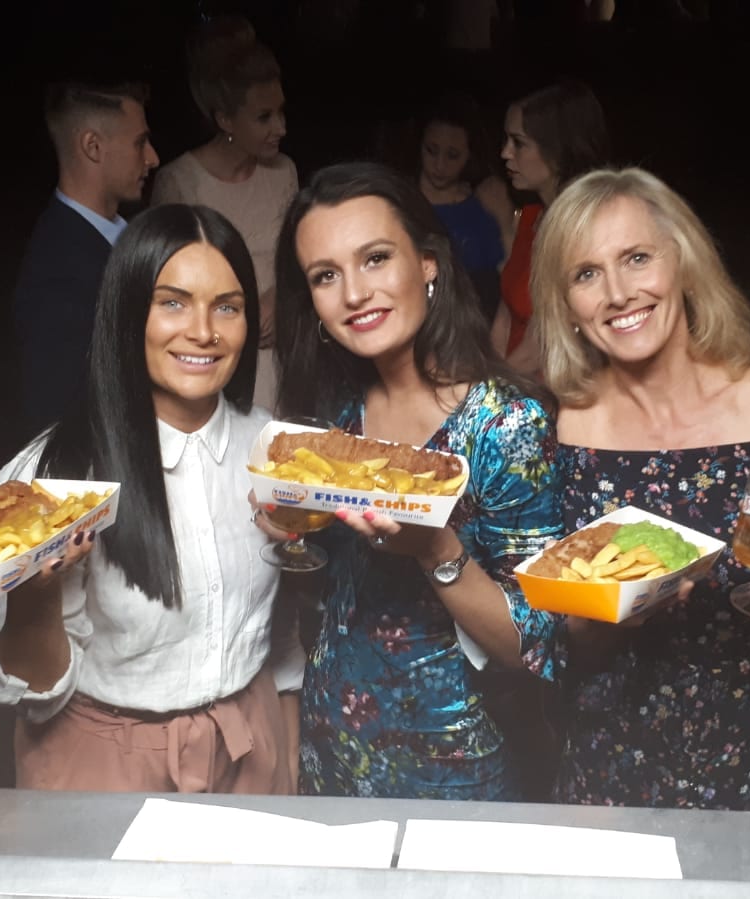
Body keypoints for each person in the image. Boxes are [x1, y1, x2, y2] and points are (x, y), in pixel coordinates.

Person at [529, 168, 750, 810]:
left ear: (684, 264)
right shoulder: (565, 435)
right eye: (586, 274)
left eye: (636, 258)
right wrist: (616, 612)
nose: (617, 292)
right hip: (611, 779)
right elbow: (564, 654)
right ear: (569, 309)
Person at [263, 162, 562, 801]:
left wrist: (436, 550)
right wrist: (294, 523)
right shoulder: (335, 410)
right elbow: (338, 593)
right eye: (325, 275)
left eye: (374, 258)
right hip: (332, 740)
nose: (353, 293)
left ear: (428, 263)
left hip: (454, 767)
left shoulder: (504, 422)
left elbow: (533, 643)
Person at [0, 204, 303, 794]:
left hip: (250, 744)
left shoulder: (277, 451)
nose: (203, 331)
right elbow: (32, 692)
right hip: (106, 759)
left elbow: (280, 636)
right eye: (173, 302)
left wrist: (287, 760)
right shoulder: (54, 475)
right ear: (129, 312)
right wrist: (36, 593)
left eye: (227, 307)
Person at [151, 16, 295, 412]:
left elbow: (299, 255)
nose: (280, 127)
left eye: (281, 111)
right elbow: (169, 289)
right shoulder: (180, 182)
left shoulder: (284, 172)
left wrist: (279, 298)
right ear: (225, 119)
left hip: (279, 352)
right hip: (214, 351)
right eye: (264, 117)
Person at [13, 81, 160, 434]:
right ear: (93, 146)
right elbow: (59, 417)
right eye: (139, 142)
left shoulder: (122, 235)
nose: (153, 157)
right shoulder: (58, 272)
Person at [495, 80, 610, 374]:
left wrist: (485, 395)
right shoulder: (530, 217)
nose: (505, 153)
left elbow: (540, 346)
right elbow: (505, 316)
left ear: (557, 149)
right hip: (513, 389)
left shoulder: (585, 231)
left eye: (518, 143)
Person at [416, 94, 511, 325]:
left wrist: (505, 221)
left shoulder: (486, 200)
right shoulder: (400, 202)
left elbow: (511, 273)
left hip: (481, 331)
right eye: (431, 150)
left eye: (452, 155)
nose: (440, 165)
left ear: (469, 155)